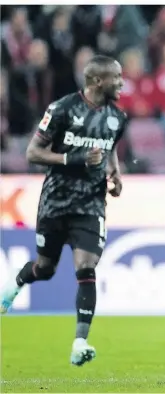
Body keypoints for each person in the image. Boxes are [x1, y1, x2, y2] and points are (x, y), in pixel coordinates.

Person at [0, 55, 127, 367]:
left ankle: (79, 343)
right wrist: (76, 159)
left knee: (86, 267)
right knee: (45, 268)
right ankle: (15, 284)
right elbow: (33, 152)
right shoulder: (62, 109)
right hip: (55, 202)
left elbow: (108, 149)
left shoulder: (118, 117)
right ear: (98, 81)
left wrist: (115, 174)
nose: (122, 83)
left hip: (91, 204)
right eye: (116, 78)